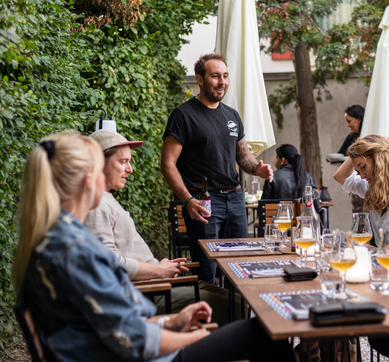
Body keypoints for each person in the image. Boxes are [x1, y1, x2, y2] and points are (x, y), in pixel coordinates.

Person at [12, 131, 294, 362]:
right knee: (267, 330)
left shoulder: (54, 239)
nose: (130, 169)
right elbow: (133, 341)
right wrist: (198, 337)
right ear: (89, 178)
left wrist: (170, 323)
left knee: (260, 328)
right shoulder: (76, 251)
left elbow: (110, 325)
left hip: (129, 344)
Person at [85, 129, 239, 325]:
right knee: (240, 308)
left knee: (242, 300)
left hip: (157, 284)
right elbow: (107, 264)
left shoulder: (104, 197)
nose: (130, 169)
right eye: (123, 162)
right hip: (147, 295)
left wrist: (160, 267)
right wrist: (158, 270)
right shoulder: (94, 203)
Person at [161, 53, 273, 285]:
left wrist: (257, 169)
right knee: (207, 270)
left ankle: (238, 316)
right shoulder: (183, 115)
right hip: (203, 202)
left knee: (240, 264)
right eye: (215, 76)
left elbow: (243, 156)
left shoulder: (232, 115)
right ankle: (209, 318)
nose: (222, 81)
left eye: (225, 76)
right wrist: (187, 200)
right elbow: (168, 164)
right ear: (200, 80)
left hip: (235, 199)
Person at [333, 134, 389, 241]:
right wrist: (359, 148)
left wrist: (376, 148)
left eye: (363, 167)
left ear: (379, 159)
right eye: (358, 171)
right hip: (381, 257)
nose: (362, 176)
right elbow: (340, 176)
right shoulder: (372, 187)